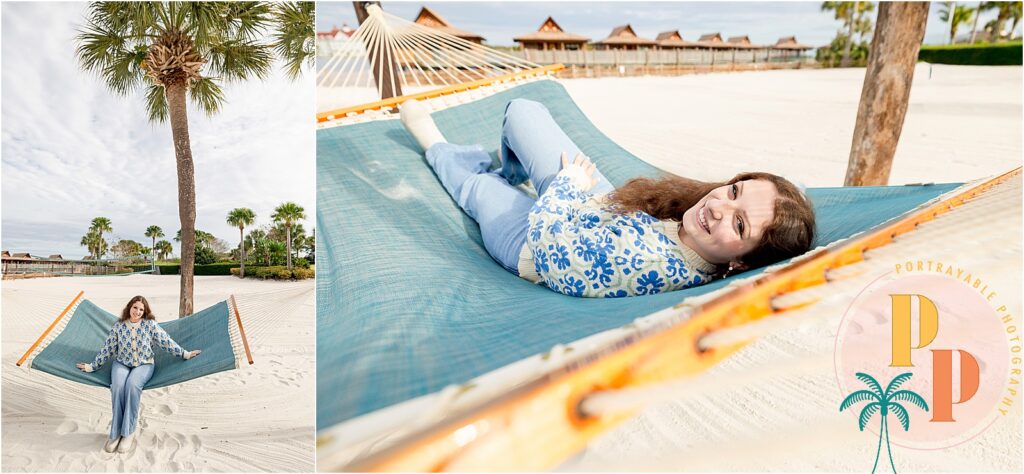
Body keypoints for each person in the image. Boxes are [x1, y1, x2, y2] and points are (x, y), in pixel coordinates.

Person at [400, 98, 816, 298]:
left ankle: (439, 148)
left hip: (535, 243)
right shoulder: (696, 225)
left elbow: (554, 256)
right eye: (734, 190)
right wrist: (580, 190)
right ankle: (513, 172)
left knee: (478, 188)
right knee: (523, 112)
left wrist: (567, 185)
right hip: (600, 203)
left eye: (739, 224)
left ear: (740, 262)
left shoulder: (651, 265)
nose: (718, 206)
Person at [76, 296, 201, 453]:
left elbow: (166, 341)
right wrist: (92, 366)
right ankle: (115, 433)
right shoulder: (119, 326)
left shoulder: (150, 325)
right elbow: (107, 349)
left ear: (145, 311)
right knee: (118, 387)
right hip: (121, 363)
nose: (137, 311)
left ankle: (128, 432)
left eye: (141, 309)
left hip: (144, 364)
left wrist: (185, 354)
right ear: (129, 307)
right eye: (135, 307)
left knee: (132, 385)